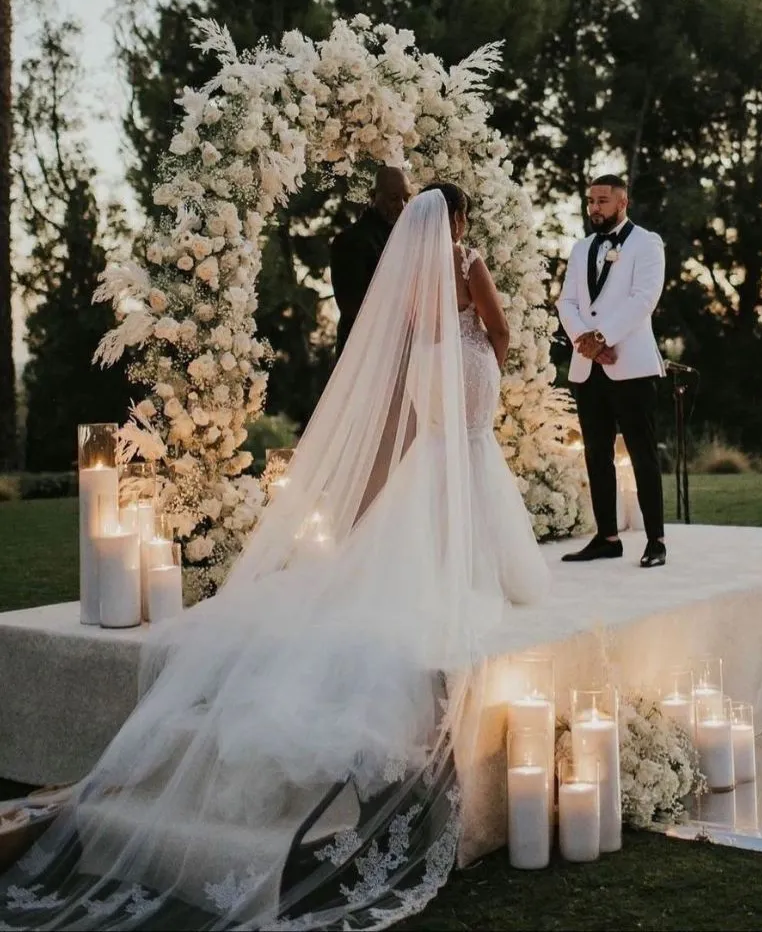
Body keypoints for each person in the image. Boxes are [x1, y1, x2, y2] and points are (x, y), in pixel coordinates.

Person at [0, 189, 549, 931]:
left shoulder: (408, 284)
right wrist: (480, 356)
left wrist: (439, 374)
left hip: (437, 409)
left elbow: (404, 354)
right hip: (468, 410)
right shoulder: (466, 263)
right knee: (473, 528)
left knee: (421, 524)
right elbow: (503, 330)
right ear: (458, 222)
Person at [556, 174, 667, 568]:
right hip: (590, 367)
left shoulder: (647, 243)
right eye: (590, 201)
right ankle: (607, 537)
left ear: (623, 202)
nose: (594, 208)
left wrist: (602, 336)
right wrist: (584, 340)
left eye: (602, 201)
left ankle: (655, 540)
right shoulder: (581, 247)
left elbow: (644, 299)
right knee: (596, 454)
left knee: (642, 454)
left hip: (631, 365)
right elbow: (566, 301)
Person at [330, 165, 413, 357]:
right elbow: (351, 305)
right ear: (373, 195)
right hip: (363, 350)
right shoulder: (350, 240)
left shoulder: (406, 238)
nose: (401, 206)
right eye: (393, 198)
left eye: (406, 199)